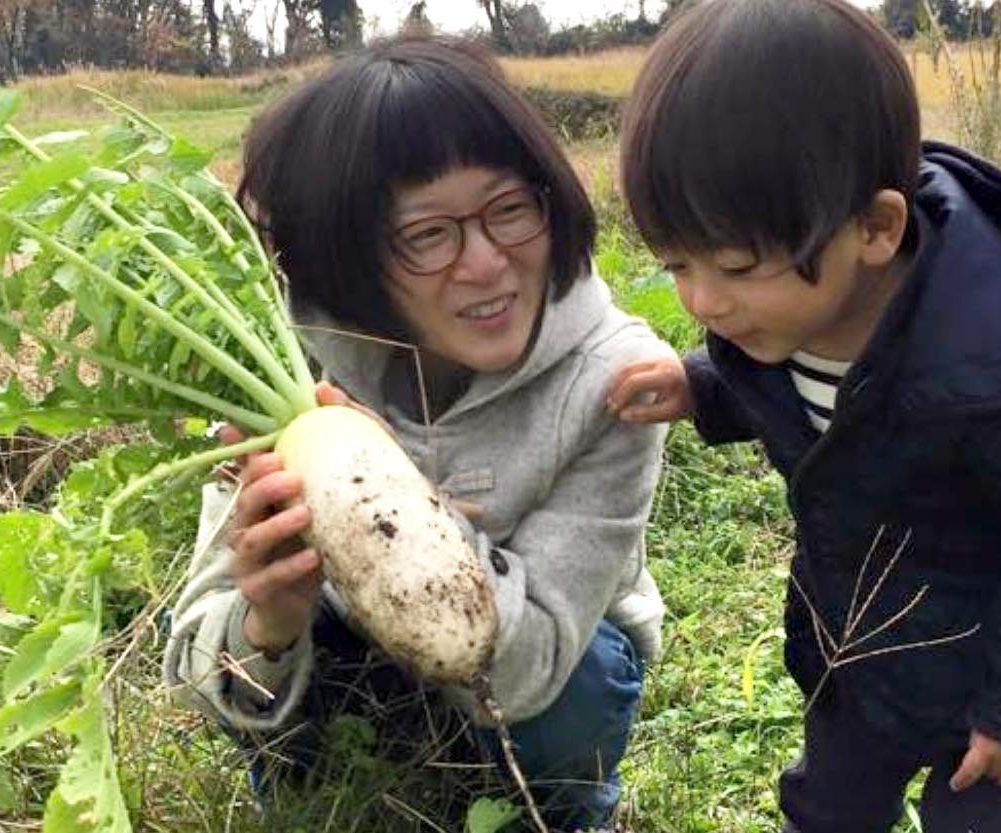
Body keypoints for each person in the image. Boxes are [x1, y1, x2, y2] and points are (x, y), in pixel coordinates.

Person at [604, 1, 1001, 831]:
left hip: (1000, 664)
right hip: (860, 643)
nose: (705, 301)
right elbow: (797, 381)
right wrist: (702, 385)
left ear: (876, 227)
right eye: (677, 263)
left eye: (737, 266)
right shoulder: (786, 313)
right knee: (827, 805)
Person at [162, 37, 673, 832]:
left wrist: (390, 494)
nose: (487, 263)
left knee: (588, 674)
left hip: (535, 685)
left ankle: (563, 810)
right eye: (427, 235)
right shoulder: (284, 383)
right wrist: (269, 621)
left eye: (510, 208)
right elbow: (201, 667)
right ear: (347, 258)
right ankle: (328, 803)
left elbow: (535, 665)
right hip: (353, 674)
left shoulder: (620, 381)